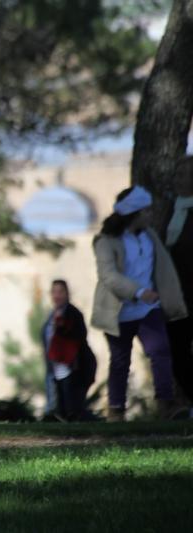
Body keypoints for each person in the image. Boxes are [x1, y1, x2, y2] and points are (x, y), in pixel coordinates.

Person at [91, 186, 188, 421]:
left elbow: (163, 268)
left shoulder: (149, 235)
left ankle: (166, 405)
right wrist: (139, 291)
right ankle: (116, 410)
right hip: (120, 311)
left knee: (160, 351)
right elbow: (109, 276)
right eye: (146, 211)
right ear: (134, 213)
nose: (150, 215)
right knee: (120, 361)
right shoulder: (106, 241)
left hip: (148, 309)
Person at [41, 280, 98, 421]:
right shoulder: (51, 317)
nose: (57, 295)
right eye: (54, 292)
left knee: (73, 409)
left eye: (60, 292)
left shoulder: (73, 314)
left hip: (73, 369)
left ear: (67, 294)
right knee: (61, 411)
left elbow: (76, 339)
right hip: (56, 371)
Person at [165, 157, 193, 411]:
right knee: (178, 355)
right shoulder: (170, 209)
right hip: (177, 296)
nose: (177, 180)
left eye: (183, 175)